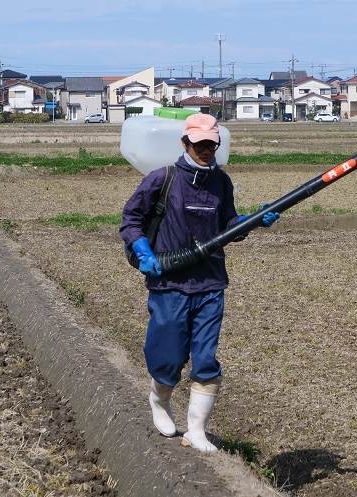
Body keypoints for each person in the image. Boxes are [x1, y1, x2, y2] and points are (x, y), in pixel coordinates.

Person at [119, 113, 279, 453]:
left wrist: (252, 221)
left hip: (210, 283)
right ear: (185, 143)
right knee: (168, 357)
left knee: (206, 359)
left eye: (210, 144)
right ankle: (159, 400)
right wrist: (142, 248)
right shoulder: (162, 179)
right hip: (170, 283)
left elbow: (229, 226)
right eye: (199, 144)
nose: (205, 150)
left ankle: (196, 431)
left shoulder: (221, 182)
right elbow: (131, 219)